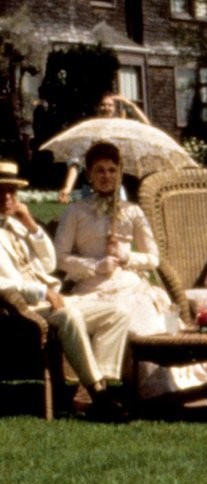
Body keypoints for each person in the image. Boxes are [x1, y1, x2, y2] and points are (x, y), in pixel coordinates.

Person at [0, 162, 129, 414]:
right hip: (23, 307)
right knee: (70, 316)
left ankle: (90, 391)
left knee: (116, 312)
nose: (7, 198)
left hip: (51, 299)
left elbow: (49, 263)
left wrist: (30, 224)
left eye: (11, 192)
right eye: (1, 191)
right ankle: (99, 396)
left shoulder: (15, 224)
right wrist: (40, 292)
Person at [53, 142, 175, 364]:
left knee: (153, 329)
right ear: (89, 174)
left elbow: (153, 258)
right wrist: (95, 265)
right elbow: (59, 258)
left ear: (119, 173)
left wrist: (127, 255)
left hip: (130, 285)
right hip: (93, 287)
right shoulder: (76, 211)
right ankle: (108, 382)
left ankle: (165, 381)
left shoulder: (133, 211)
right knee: (122, 322)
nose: (106, 176)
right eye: (99, 170)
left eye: (112, 170)